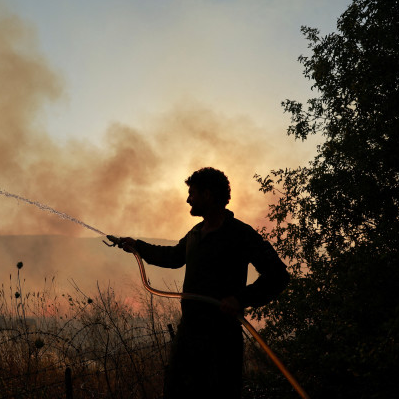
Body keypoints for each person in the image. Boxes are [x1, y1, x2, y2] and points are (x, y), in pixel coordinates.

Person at [116, 167, 290, 399]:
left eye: (192, 193)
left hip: (222, 340)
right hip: (188, 335)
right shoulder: (196, 234)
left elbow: (278, 275)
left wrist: (241, 299)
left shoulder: (241, 234)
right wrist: (137, 246)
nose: (188, 199)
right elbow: (173, 257)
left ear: (208, 195)